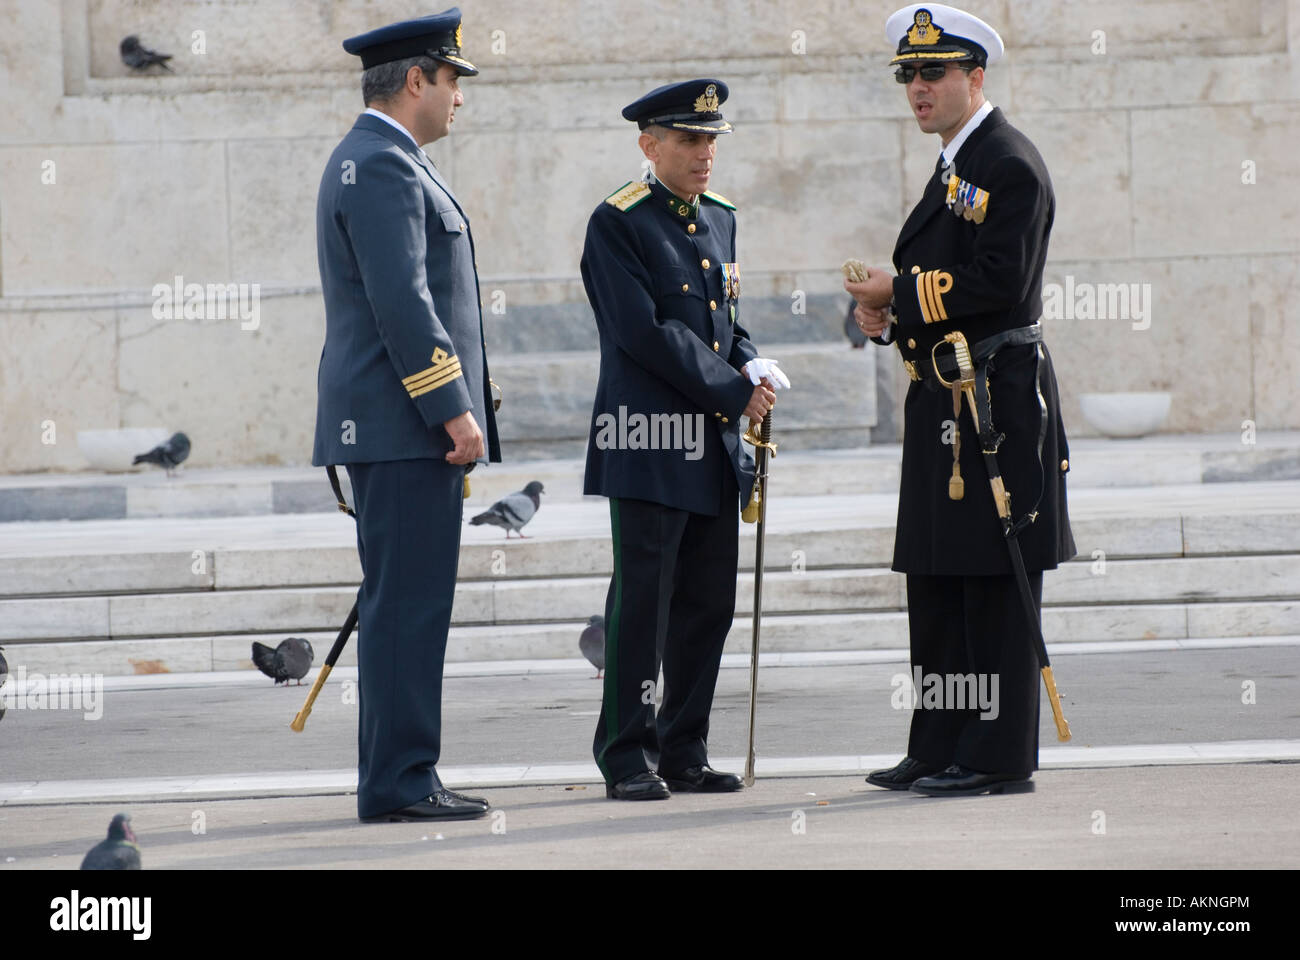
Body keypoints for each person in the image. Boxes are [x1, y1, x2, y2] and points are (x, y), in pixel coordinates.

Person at [845, 4, 1075, 796]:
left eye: (933, 72)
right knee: (938, 580)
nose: (917, 87)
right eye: (908, 74)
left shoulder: (1009, 162)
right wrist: (885, 314)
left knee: (992, 579)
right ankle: (940, 741)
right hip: (944, 400)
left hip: (994, 405)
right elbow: (943, 286)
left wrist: (898, 291)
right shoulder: (953, 164)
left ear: (975, 77)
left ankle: (995, 756)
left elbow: (999, 283)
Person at [312, 7, 500, 822]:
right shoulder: (383, 165)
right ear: (417, 79)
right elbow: (404, 302)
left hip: (395, 427)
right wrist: (452, 410)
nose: (459, 96)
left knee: (403, 605)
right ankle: (399, 781)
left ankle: (395, 775)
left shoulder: (386, 160)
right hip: (404, 427)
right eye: (452, 79)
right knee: (410, 607)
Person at [581, 79, 791, 800]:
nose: (705, 155)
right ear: (650, 145)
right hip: (645, 441)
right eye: (688, 140)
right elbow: (646, 334)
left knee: (708, 602)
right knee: (645, 601)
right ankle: (626, 754)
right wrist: (735, 390)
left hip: (710, 445)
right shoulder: (619, 223)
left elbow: (722, 321)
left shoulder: (721, 219)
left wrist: (751, 360)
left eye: (711, 141)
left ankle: (684, 747)